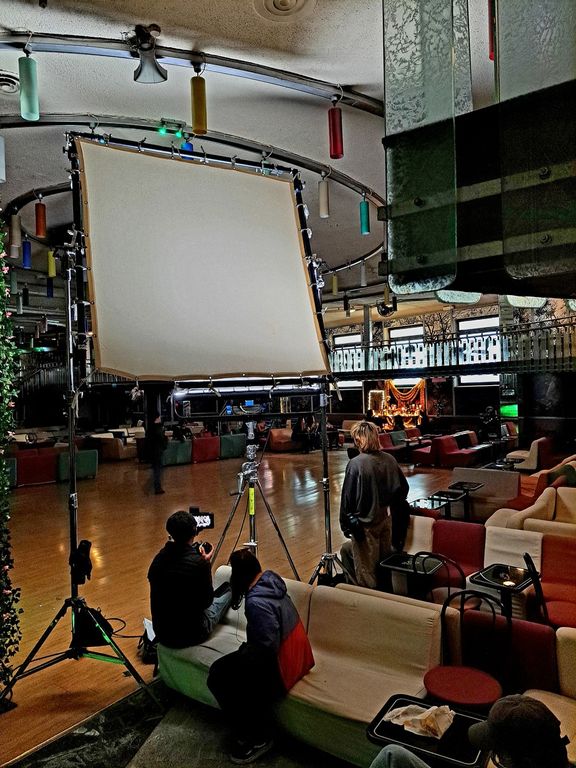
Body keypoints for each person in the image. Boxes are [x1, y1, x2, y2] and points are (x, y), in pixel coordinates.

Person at [207, 548, 314, 765]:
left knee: (218, 676)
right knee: (227, 669)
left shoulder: (256, 602)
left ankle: (257, 737)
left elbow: (265, 650)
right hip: (299, 657)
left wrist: (244, 658)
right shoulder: (271, 583)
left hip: (283, 667)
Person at [368, 694, 572, 768]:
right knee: (393, 754)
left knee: (390, 755)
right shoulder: (548, 755)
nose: (496, 756)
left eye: (499, 753)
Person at [147, 510, 232, 648]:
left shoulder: (157, 560)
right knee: (229, 590)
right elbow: (207, 602)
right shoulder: (199, 564)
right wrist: (206, 564)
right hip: (193, 634)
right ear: (194, 532)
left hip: (163, 633)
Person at [339, 421, 409, 589]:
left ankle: (367, 602)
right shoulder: (389, 459)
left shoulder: (356, 463)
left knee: (366, 573)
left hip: (365, 525)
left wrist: (345, 525)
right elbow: (403, 489)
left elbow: (347, 499)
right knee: (383, 567)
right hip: (385, 521)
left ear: (359, 440)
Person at [146, 411, 168, 494]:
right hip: (158, 451)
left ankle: (156, 486)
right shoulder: (158, 428)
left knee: (156, 469)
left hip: (153, 451)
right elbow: (161, 439)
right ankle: (157, 487)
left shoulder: (150, 428)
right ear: (157, 418)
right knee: (158, 470)